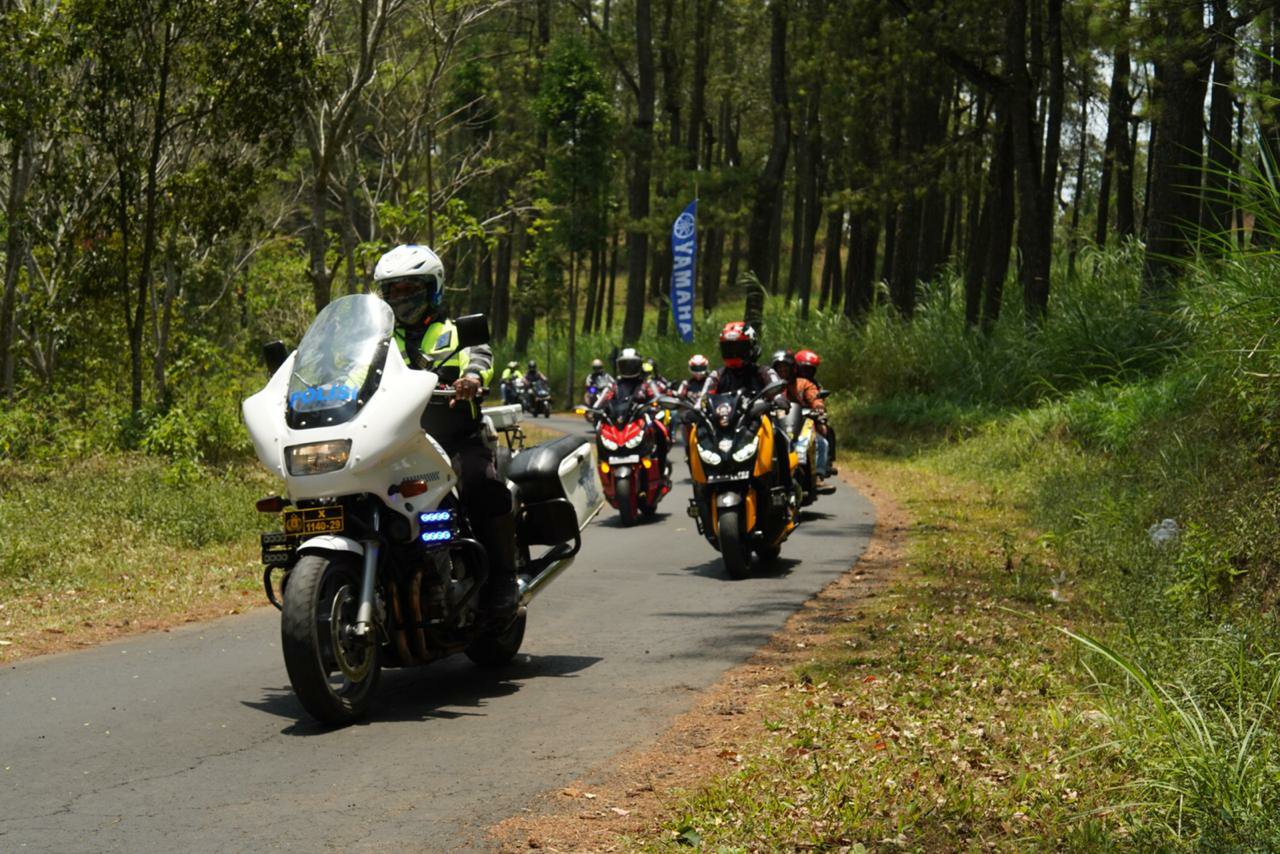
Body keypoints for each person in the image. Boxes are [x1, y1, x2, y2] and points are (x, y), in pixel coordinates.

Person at [373, 243, 518, 621]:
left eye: (410, 289)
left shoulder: (455, 333)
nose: (401, 298)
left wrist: (472, 378)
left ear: (433, 289)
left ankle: (503, 579)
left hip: (455, 438)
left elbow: (480, 357)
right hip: (393, 446)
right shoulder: (378, 343)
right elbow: (352, 373)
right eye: (393, 291)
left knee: (480, 482)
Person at [771, 349, 830, 482]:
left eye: (785, 368)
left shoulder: (803, 383)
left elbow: (814, 396)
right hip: (776, 423)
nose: (782, 371)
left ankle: (818, 476)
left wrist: (818, 406)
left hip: (802, 422)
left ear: (792, 369)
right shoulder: (770, 386)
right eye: (779, 368)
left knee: (821, 442)